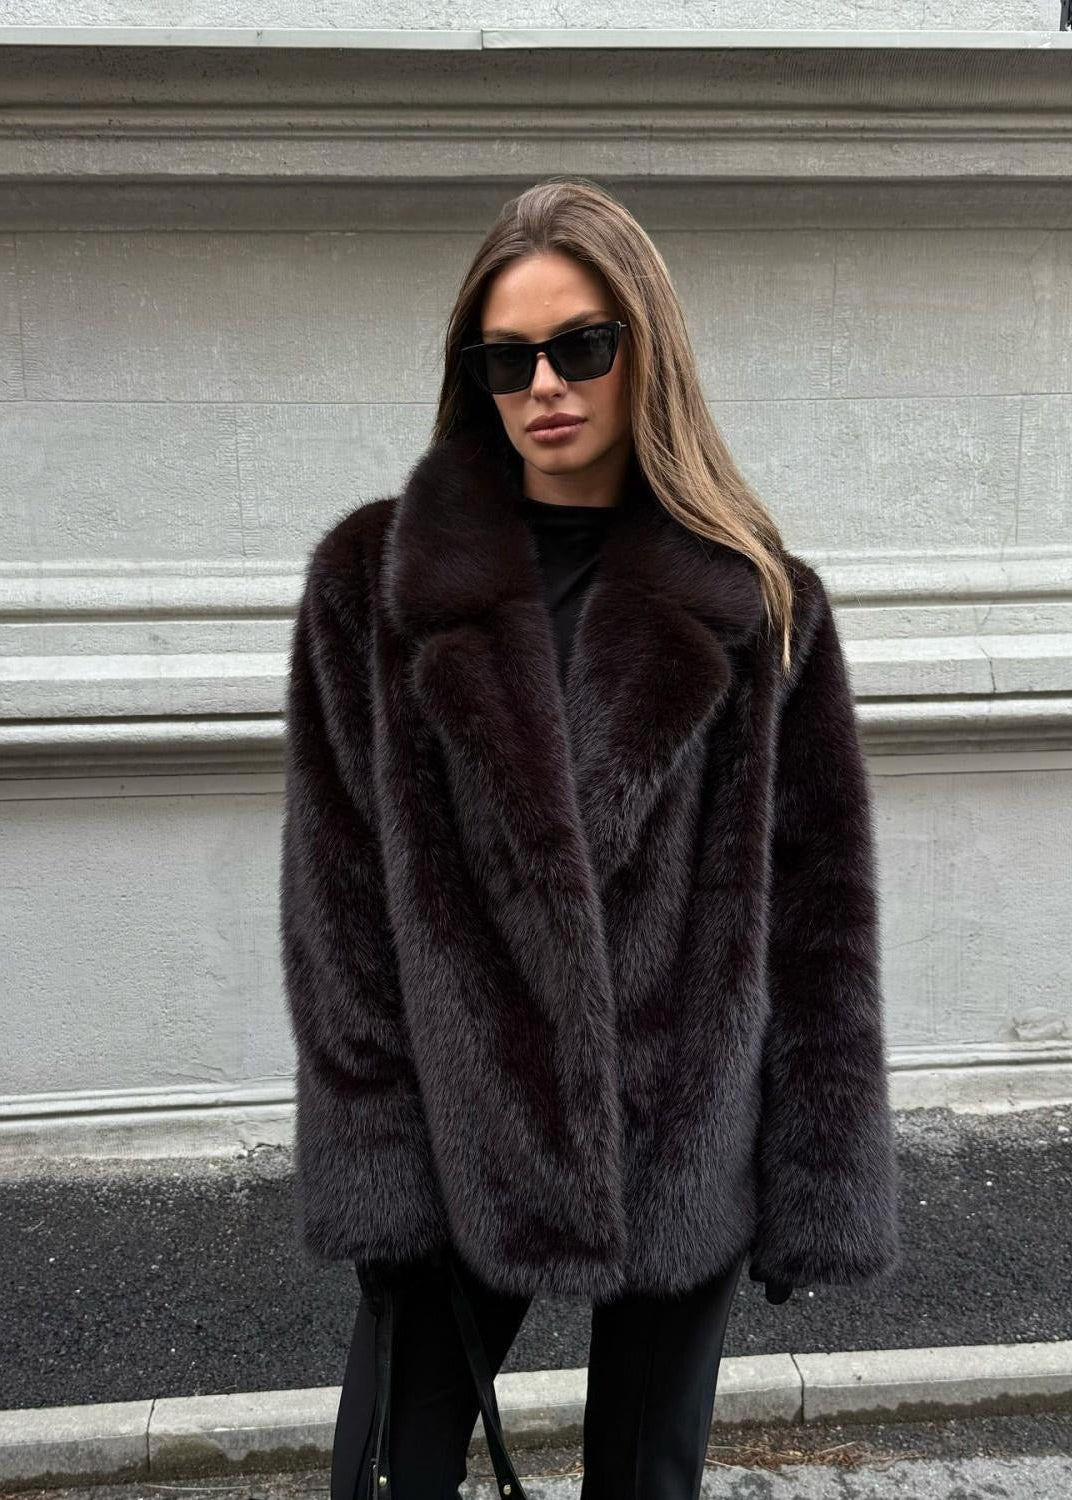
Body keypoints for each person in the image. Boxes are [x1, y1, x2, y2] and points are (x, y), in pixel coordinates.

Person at [279, 177, 901, 1500]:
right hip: (465, 1129)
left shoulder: (763, 604)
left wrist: (816, 1179)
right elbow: (339, 915)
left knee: (646, 1481)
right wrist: (380, 1173)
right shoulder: (372, 586)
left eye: (581, 345)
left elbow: (819, 917)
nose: (545, 384)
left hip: (684, 1136)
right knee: (388, 1475)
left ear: (647, 350)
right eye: (507, 358)